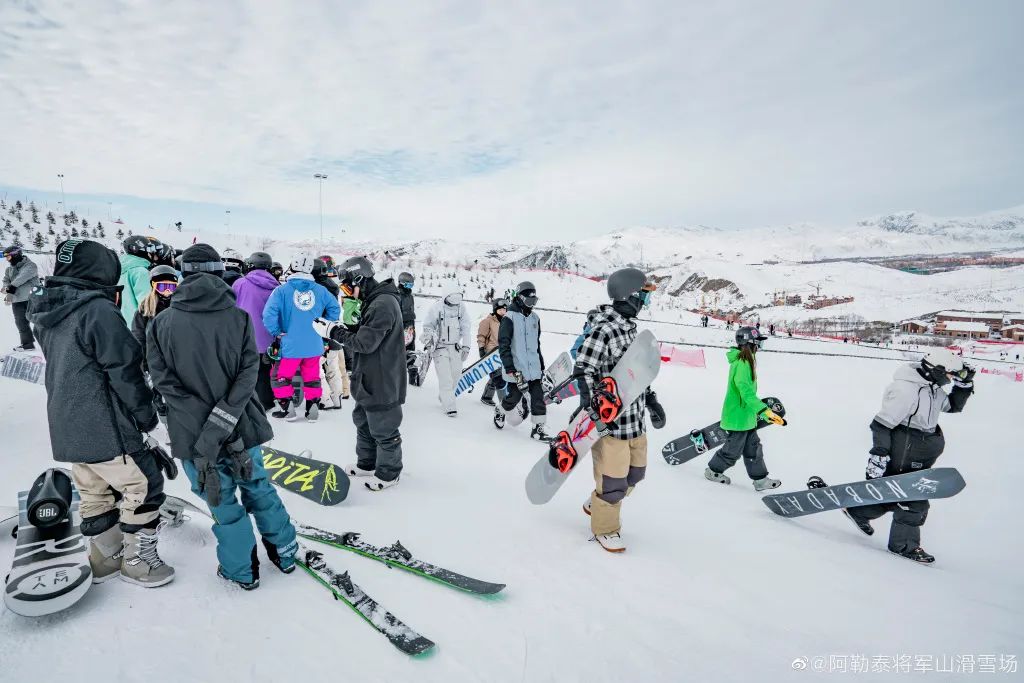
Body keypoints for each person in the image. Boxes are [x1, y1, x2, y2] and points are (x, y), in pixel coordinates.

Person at [148, 243, 298, 590]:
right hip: (241, 423)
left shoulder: (161, 324)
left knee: (221, 499)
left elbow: (163, 381)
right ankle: (286, 553)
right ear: (219, 273)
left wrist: (207, 425)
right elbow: (248, 374)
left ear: (184, 273)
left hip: (193, 433)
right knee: (258, 486)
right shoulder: (239, 317)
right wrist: (224, 417)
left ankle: (241, 570)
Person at [28, 239, 173, 586]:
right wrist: (146, 416)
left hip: (67, 424)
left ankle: (105, 556)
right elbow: (125, 370)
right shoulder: (97, 311)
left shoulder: (49, 310)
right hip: (107, 424)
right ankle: (139, 562)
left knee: (95, 489)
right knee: (145, 484)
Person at [844, 349, 974, 564]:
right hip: (904, 448)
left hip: (920, 448)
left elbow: (952, 406)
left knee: (896, 491)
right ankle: (903, 545)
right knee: (913, 500)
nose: (951, 379)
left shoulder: (933, 387)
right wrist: (879, 453)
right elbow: (881, 424)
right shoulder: (906, 390)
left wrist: (964, 385)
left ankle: (860, 512)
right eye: (951, 375)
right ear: (938, 370)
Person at [571, 268, 663, 553]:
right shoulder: (605, 328)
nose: (646, 303)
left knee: (635, 475)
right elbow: (583, 368)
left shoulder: (631, 328)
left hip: (636, 421)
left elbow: (637, 374)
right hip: (612, 424)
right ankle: (606, 528)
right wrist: (592, 409)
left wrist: (652, 401)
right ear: (630, 295)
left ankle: (597, 502)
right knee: (613, 481)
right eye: (644, 297)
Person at [312, 256, 406, 491]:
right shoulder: (374, 301)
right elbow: (364, 333)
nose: (345, 292)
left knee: (383, 426)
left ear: (360, 280)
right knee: (363, 421)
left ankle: (389, 473)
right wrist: (346, 327)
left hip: (383, 378)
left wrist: (334, 332)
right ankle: (367, 464)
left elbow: (365, 343)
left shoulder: (383, 304)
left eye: (346, 286)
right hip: (369, 376)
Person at [704, 326, 786, 490]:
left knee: (753, 448)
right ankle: (713, 471)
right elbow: (746, 393)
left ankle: (760, 480)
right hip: (738, 416)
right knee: (733, 449)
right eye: (758, 343)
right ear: (750, 343)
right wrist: (764, 411)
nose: (759, 347)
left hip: (746, 416)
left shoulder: (748, 361)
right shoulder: (742, 364)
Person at [261, 253, 340, 422]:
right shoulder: (320, 290)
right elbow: (335, 309)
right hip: (314, 344)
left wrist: (277, 332)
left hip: (290, 346)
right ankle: (312, 409)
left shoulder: (281, 290)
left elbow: (268, 315)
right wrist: (323, 327)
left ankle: (288, 409)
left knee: (282, 376)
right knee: (312, 377)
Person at [494, 281, 549, 439]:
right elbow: (503, 346)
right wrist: (510, 368)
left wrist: (541, 366)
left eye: (534, 300)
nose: (532, 304)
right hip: (517, 368)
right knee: (514, 397)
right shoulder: (509, 318)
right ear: (519, 298)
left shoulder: (535, 319)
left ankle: (538, 428)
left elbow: (536, 345)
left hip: (534, 368)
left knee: (538, 398)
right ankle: (500, 411)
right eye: (529, 300)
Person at [233, 251, 279, 410]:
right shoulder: (277, 286)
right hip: (270, 338)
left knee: (247, 371)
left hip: (246, 336)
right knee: (266, 370)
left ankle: (250, 402)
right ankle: (267, 400)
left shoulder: (240, 284)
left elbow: (233, 307)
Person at [423, 288, 471, 417]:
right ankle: (450, 406)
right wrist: (429, 341)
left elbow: (466, 327)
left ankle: (443, 396)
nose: (454, 304)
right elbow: (428, 325)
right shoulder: (436, 308)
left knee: (455, 375)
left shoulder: (461, 308)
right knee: (446, 378)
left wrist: (466, 346)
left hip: (455, 347)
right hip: (440, 347)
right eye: (452, 301)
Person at [118, 235, 164, 323]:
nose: (152, 253)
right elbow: (148, 306)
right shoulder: (141, 273)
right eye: (150, 249)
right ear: (140, 250)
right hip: (138, 327)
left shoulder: (120, 270)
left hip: (123, 325)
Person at [3, 245, 40, 351]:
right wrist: (7, 289)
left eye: (8, 256)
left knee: (40, 321)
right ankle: (27, 345)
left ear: (15, 255)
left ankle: (51, 343)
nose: (7, 259)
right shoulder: (9, 269)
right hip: (17, 301)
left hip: (32, 298)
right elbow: (6, 280)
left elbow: (22, 277)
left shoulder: (30, 265)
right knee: (21, 323)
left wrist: (10, 288)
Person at [477, 297, 507, 406]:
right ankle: (489, 397)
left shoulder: (506, 322)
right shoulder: (488, 321)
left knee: (499, 376)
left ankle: (486, 396)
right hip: (491, 353)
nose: (503, 312)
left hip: (503, 353)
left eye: (504, 310)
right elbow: (481, 336)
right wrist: (481, 349)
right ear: (495, 310)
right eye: (500, 310)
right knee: (497, 376)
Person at [397, 272, 418, 384]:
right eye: (408, 285)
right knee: (399, 350)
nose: (410, 288)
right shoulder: (397, 295)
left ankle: (412, 372)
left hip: (410, 326)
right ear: (401, 283)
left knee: (410, 348)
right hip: (400, 326)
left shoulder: (410, 296)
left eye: (411, 285)